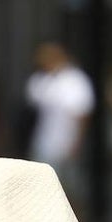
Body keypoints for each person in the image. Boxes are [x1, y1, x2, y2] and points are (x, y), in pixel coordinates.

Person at [25, 42, 95, 203]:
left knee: (71, 191)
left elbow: (82, 114)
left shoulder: (74, 80)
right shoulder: (41, 80)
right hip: (43, 143)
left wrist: (76, 143)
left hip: (66, 144)